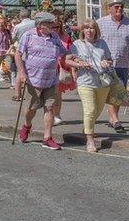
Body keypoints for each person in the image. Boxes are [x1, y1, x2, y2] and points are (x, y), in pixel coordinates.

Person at [15, 12, 67, 151]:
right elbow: (18, 54)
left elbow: (65, 52)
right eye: (50, 24)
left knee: (50, 107)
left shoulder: (55, 37)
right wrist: (21, 72)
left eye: (53, 23)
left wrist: (76, 57)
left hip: (51, 79)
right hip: (34, 80)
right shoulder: (28, 35)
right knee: (31, 108)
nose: (53, 26)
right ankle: (27, 125)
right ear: (40, 25)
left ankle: (47, 138)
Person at [65, 19, 114, 153]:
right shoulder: (77, 44)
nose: (89, 31)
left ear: (96, 30)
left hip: (103, 82)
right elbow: (67, 60)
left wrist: (107, 62)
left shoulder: (102, 43)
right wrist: (79, 64)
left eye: (92, 28)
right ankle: (90, 140)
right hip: (85, 81)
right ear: (82, 31)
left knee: (97, 110)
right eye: (86, 28)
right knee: (90, 110)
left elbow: (110, 59)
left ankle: (87, 128)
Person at [98, 0, 129, 133]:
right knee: (111, 91)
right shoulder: (101, 23)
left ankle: (112, 118)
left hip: (123, 63)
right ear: (109, 8)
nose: (119, 9)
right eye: (116, 6)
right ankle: (115, 120)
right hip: (106, 64)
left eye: (121, 6)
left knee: (119, 93)